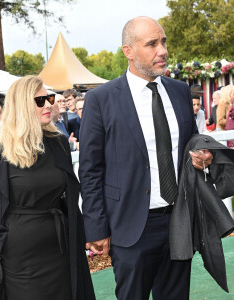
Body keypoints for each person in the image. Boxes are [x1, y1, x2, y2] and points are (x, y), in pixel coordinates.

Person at [79, 16, 213, 300]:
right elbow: (90, 170)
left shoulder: (179, 91)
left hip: (179, 222)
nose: (162, 50)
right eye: (152, 43)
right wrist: (96, 227)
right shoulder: (101, 99)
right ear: (128, 50)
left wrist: (202, 154)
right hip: (130, 227)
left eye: (163, 41)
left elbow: (191, 141)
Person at [0, 75, 95, 300]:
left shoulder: (57, 144)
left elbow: (68, 197)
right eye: (40, 101)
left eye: (48, 98)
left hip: (60, 249)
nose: (49, 104)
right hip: (18, 256)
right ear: (23, 106)